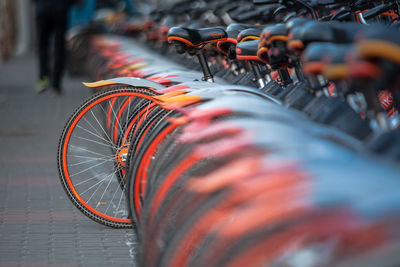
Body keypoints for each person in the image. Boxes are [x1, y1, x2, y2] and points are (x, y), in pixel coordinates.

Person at [34, 0, 76, 95]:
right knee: (59, 47)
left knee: (43, 46)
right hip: (60, 9)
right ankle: (56, 84)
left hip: (42, 9)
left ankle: (43, 78)